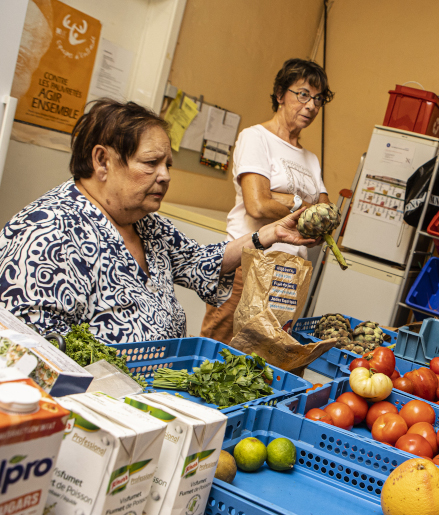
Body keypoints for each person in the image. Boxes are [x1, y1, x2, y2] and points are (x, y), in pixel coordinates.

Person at [0, 99, 314, 344]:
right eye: (151, 163)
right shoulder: (47, 231)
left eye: (167, 165)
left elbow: (199, 262)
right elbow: (29, 349)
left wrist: (266, 235)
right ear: (102, 160)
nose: (164, 176)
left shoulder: (146, 224)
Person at [200, 58, 334, 344]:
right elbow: (257, 205)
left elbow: (325, 218)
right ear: (280, 95)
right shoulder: (256, 138)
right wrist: (300, 204)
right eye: (303, 94)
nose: (311, 106)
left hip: (288, 274)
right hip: (247, 265)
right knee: (218, 346)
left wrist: (280, 198)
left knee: (264, 355)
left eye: (318, 99)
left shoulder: (311, 159)